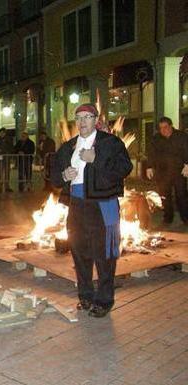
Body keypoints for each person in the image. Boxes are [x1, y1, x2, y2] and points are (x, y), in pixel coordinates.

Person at [50, 103, 132, 318]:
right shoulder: (68, 147)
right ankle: (85, 296)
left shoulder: (110, 143)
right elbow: (54, 176)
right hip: (76, 205)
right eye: (78, 118)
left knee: (105, 254)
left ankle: (105, 299)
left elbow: (125, 169)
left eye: (87, 117)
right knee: (79, 252)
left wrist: (96, 160)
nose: (82, 121)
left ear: (95, 120)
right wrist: (63, 176)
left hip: (102, 204)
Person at [146, 117, 188, 225]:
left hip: (178, 171)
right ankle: (167, 218)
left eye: (165, 127)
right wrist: (149, 167)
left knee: (181, 195)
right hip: (162, 172)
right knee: (164, 196)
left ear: (171, 126)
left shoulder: (181, 136)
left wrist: (187, 165)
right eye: (161, 128)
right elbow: (151, 153)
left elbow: (186, 150)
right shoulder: (156, 139)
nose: (163, 130)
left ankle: (185, 218)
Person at [0, 128, 14, 193]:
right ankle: (0, 187)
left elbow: (11, 148)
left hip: (7, 158)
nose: (2, 134)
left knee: (7, 173)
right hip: (0, 158)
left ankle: (7, 186)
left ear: (5, 133)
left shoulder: (9, 140)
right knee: (0, 173)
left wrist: (7, 152)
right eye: (1, 133)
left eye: (3, 133)